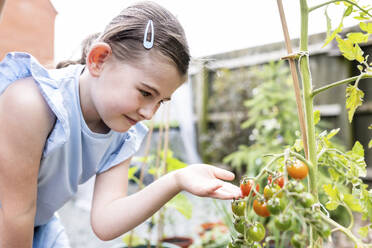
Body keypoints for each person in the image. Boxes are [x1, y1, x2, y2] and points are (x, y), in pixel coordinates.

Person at [0, 1, 241, 247]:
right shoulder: (31, 103)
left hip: (36, 225)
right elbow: (16, 214)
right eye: (146, 93)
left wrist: (176, 179)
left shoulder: (121, 132)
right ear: (99, 59)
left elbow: (106, 221)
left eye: (161, 102)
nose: (150, 113)